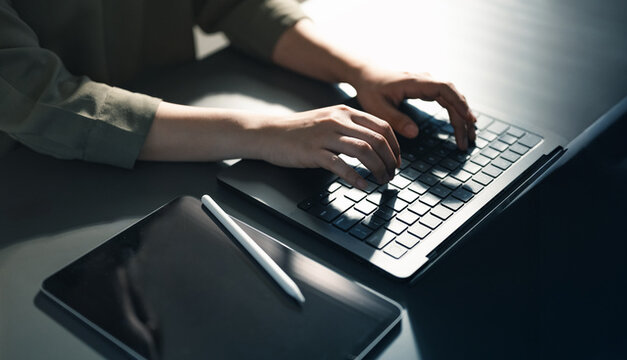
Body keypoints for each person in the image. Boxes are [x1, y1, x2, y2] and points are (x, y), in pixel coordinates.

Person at [0, 0, 476, 190]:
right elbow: (43, 103)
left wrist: (360, 71)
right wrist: (264, 134)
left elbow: (233, 3)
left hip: (168, 147)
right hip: (34, 179)